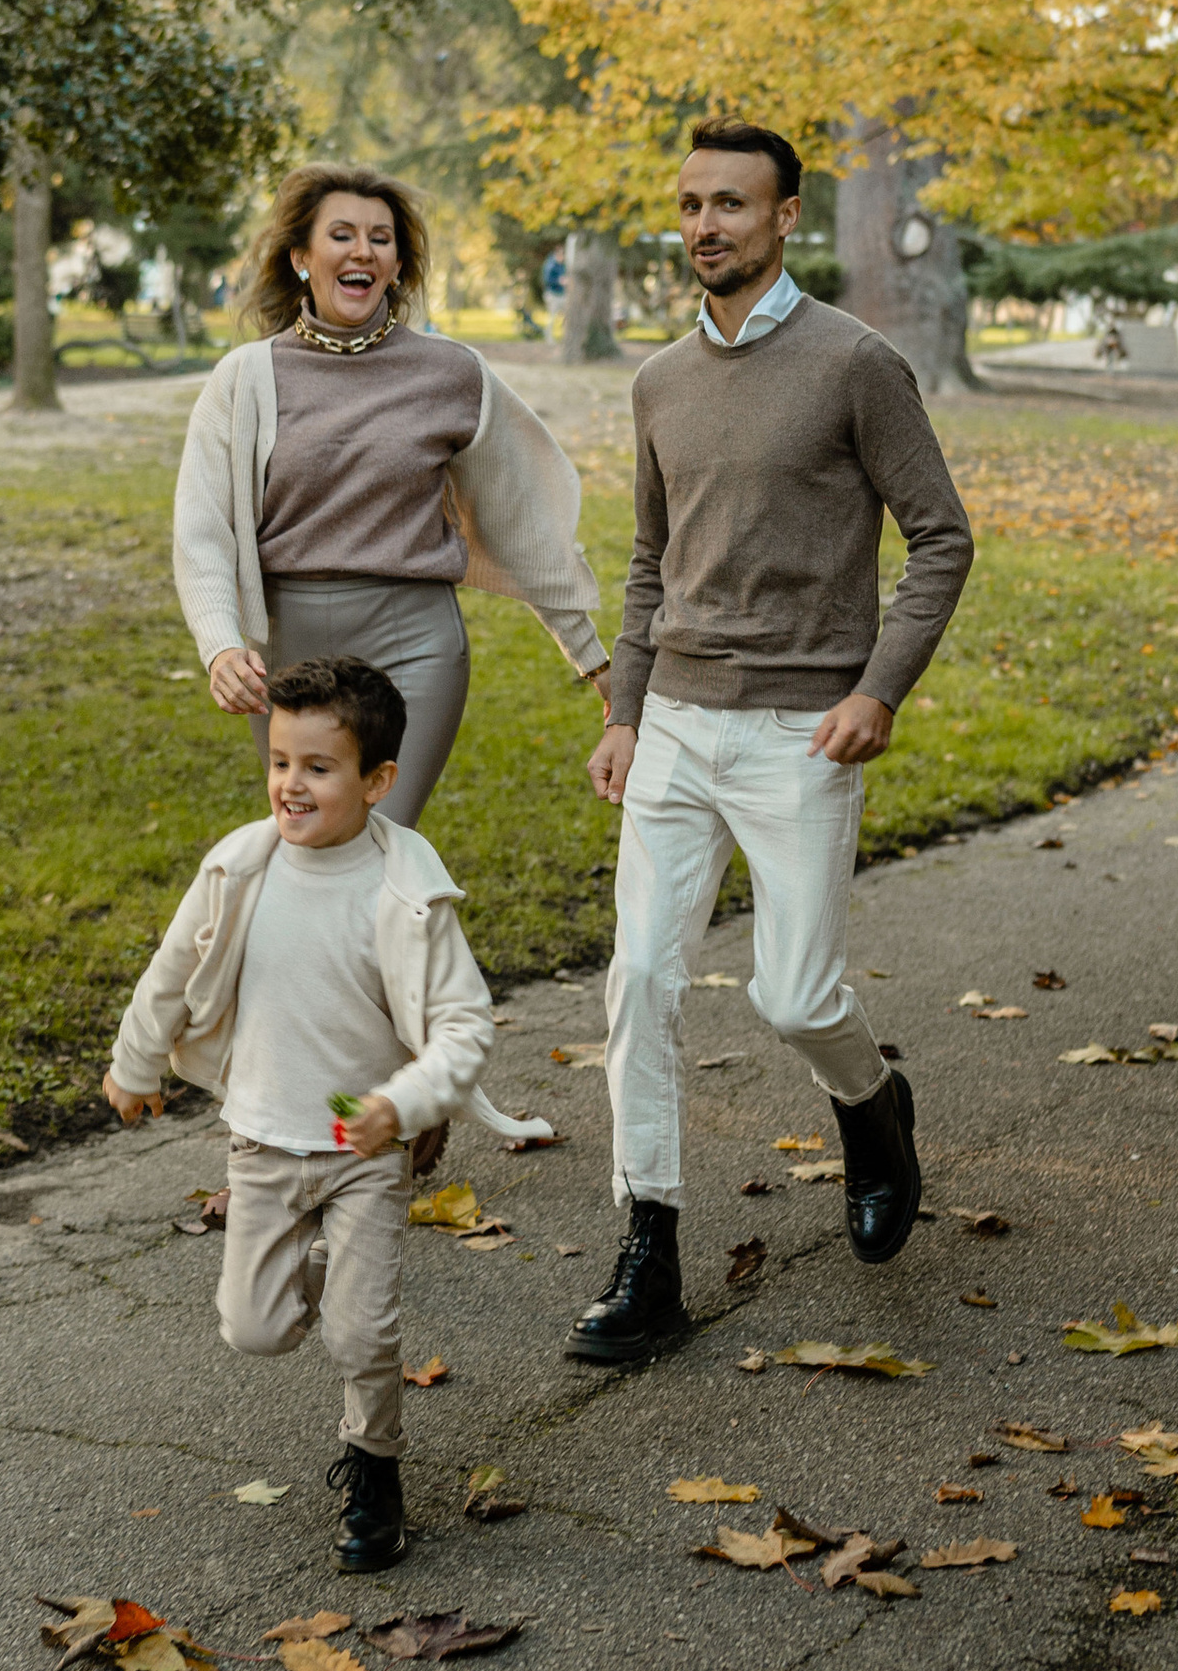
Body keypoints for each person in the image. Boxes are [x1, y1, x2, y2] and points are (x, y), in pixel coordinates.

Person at [569, 121, 977, 1369]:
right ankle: (650, 1247)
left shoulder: (855, 365)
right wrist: (625, 711)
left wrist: (878, 690)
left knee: (796, 995)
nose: (706, 225)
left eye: (732, 205)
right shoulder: (657, 382)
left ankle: (872, 1105)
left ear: (787, 216)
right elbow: (652, 562)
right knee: (638, 982)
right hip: (679, 726)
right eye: (691, 204)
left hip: (806, 729)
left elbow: (941, 537)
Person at [102, 656, 495, 1574]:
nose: (291, 784)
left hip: (362, 1152)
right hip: (263, 1140)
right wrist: (135, 1062)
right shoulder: (240, 868)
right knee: (256, 1327)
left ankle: (373, 1469)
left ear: (377, 782)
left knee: (362, 1333)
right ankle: (320, 1263)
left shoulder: (406, 892)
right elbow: (170, 971)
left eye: (318, 767)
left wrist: (405, 1101)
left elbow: (466, 1024)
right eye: (280, 762)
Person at [174, 162, 611, 820]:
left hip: (415, 646)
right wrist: (219, 644)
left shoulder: (451, 374)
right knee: (310, 838)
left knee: (381, 836)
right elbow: (203, 529)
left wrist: (592, 658)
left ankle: (404, 924)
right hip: (285, 652)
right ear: (302, 258)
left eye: (380, 238)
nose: (362, 251)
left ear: (397, 265)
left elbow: (520, 526)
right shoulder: (244, 379)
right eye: (342, 234)